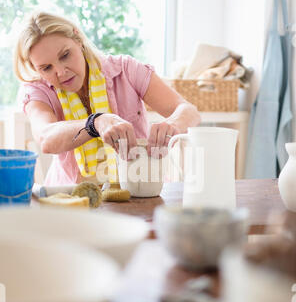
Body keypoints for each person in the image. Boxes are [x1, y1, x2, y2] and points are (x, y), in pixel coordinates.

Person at [14, 11, 201, 185]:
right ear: (35, 68)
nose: (61, 72)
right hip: (71, 198)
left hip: (138, 189)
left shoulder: (125, 69)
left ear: (77, 38)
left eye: (65, 55)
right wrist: (95, 123)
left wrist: (173, 125)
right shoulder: (37, 90)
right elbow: (46, 137)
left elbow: (189, 111)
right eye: (46, 68)